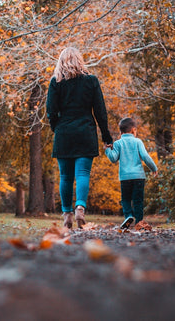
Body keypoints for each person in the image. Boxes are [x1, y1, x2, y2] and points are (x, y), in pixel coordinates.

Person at [46, 47, 113, 229]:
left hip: (64, 133)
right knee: (83, 173)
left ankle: (67, 214)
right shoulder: (91, 81)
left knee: (65, 176)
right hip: (85, 132)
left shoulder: (55, 83)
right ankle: (80, 208)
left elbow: (51, 112)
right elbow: (100, 112)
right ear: (80, 61)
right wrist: (106, 136)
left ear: (61, 61)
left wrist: (57, 129)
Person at [105, 117, 158, 229]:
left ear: (120, 132)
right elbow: (145, 157)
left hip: (125, 177)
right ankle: (139, 223)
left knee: (125, 200)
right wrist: (153, 168)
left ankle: (128, 216)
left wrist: (107, 149)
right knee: (138, 200)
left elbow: (114, 159)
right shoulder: (138, 141)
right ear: (134, 130)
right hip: (139, 177)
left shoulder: (118, 143)